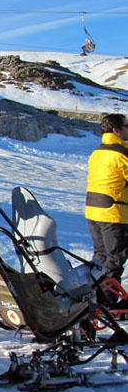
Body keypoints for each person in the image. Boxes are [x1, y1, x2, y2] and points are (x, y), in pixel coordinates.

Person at [84, 113, 128, 307]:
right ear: (116, 130)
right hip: (114, 213)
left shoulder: (97, 152)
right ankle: (106, 303)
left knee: (100, 258)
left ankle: (92, 296)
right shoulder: (121, 154)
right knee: (114, 259)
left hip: (94, 211)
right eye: (126, 126)